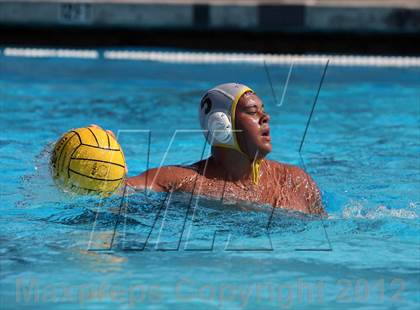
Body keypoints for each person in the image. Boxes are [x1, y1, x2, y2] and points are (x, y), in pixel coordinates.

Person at [126, 83, 325, 215]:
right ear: (222, 125)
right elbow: (118, 189)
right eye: (252, 112)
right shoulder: (180, 181)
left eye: (263, 110)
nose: (266, 117)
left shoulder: (295, 181)